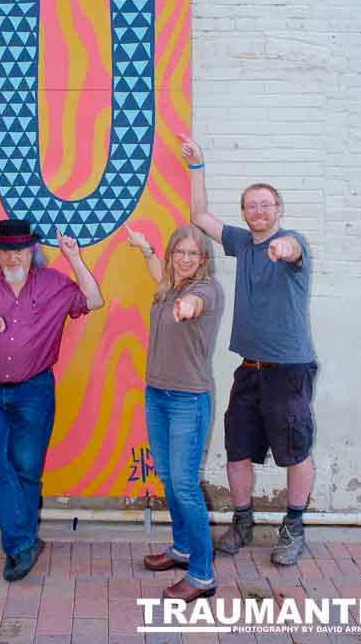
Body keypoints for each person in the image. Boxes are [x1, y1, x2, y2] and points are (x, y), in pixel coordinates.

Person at [179, 136, 317, 566]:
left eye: (265, 205)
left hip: (288, 369)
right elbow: (199, 216)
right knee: (237, 449)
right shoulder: (241, 243)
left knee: (295, 450)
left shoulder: (293, 243)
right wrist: (197, 166)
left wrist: (283, 248)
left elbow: (291, 250)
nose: (258, 212)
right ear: (244, 213)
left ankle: (293, 527)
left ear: (278, 210)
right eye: (251, 206)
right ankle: (242, 521)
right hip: (249, 368)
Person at [0, 218, 104, 582]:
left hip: (34, 391)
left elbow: (94, 300)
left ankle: (21, 543)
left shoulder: (54, 283)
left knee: (26, 469)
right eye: (6, 250)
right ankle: (22, 543)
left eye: (20, 249)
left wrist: (74, 258)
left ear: (32, 250)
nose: (12, 257)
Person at [125, 222, 222, 604]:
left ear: (203, 259)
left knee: (184, 486)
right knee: (168, 477)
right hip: (157, 395)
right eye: (179, 253)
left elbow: (193, 305)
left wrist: (187, 308)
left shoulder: (204, 291)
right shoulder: (169, 286)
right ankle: (182, 549)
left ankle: (202, 575)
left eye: (192, 254)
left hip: (188, 401)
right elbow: (159, 276)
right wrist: (146, 249)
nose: (185, 259)